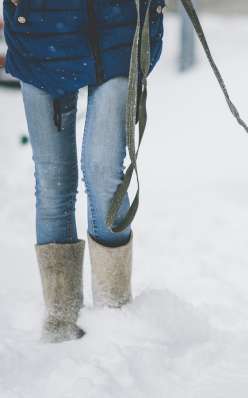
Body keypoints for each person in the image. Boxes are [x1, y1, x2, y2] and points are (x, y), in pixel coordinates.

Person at [3, 0, 164, 342]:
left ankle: (114, 318)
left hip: (117, 26)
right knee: (53, 180)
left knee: (103, 169)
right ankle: (61, 321)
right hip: (39, 32)